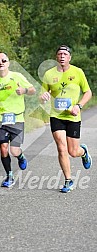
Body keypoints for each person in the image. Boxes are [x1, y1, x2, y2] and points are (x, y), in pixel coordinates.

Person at [39, 45, 92, 193]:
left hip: (73, 116)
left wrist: (79, 106)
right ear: (56, 57)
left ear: (70, 57)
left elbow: (88, 92)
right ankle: (68, 180)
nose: (62, 56)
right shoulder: (49, 74)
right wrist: (43, 97)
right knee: (61, 148)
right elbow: (42, 95)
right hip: (56, 116)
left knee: (73, 151)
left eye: (65, 54)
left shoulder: (78, 72)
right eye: (59, 54)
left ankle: (84, 152)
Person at [0, 52, 36, 187]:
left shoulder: (17, 76)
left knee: (14, 150)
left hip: (17, 118)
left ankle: (20, 156)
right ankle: (9, 176)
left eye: (3, 60)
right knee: (3, 148)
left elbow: (33, 90)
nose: (0, 63)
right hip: (1, 119)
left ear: (8, 63)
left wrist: (24, 90)